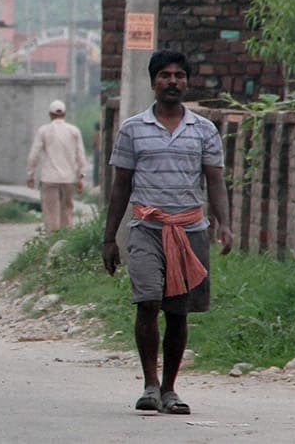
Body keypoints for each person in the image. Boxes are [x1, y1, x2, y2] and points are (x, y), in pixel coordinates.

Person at [101, 49, 233, 415]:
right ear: (153, 82)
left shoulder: (204, 130)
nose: (172, 81)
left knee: (178, 312)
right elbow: (120, 186)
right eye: (165, 75)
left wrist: (224, 223)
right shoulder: (133, 130)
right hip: (146, 228)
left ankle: (171, 390)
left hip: (190, 230)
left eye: (179, 75)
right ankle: (150, 384)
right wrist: (110, 237)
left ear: (187, 82)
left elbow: (215, 180)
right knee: (148, 303)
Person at [26, 99, 87, 232]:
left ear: (50, 114)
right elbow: (81, 155)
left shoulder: (44, 131)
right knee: (67, 212)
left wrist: (30, 174)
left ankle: (52, 242)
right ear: (64, 114)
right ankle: (65, 243)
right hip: (69, 179)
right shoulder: (74, 131)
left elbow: (34, 154)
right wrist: (81, 177)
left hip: (49, 178)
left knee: (50, 214)